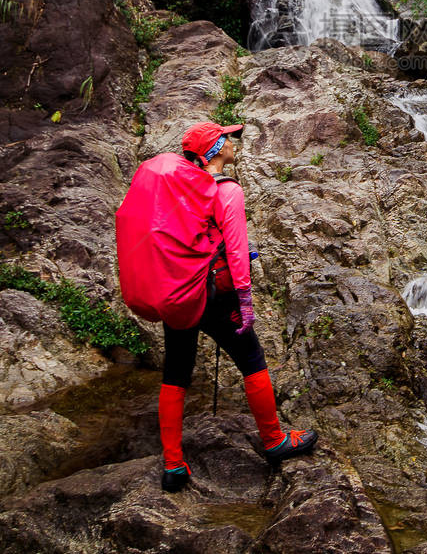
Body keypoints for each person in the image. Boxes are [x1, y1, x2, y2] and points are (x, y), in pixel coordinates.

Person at [116, 120, 318, 493]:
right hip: (216, 293)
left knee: (176, 371)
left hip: (179, 291)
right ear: (214, 149)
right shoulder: (226, 190)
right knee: (252, 359)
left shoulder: (177, 188)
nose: (232, 142)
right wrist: (244, 299)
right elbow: (237, 251)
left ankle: (174, 465)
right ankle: (274, 441)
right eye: (227, 138)